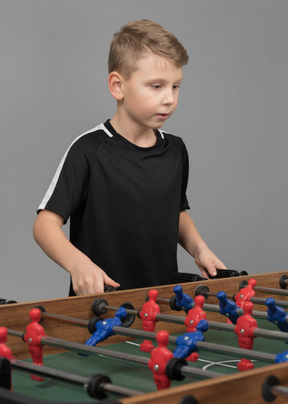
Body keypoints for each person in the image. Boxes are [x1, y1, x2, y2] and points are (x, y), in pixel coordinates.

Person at [33, 19, 226, 296]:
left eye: (176, 86)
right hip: (100, 311)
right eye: (156, 86)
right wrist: (78, 264)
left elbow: (176, 211)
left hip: (160, 307)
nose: (169, 98)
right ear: (117, 86)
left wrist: (200, 249)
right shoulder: (89, 150)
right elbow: (44, 225)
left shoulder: (176, 150)